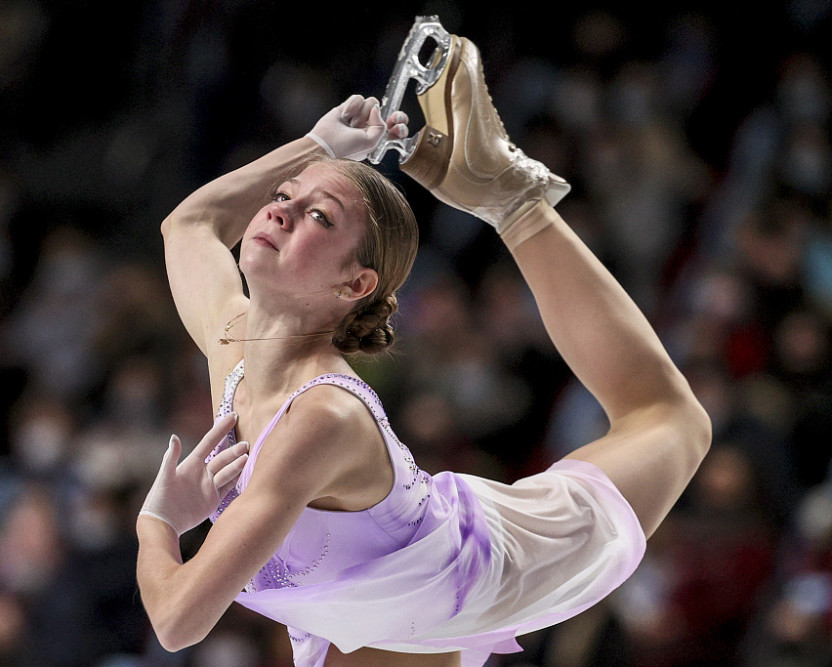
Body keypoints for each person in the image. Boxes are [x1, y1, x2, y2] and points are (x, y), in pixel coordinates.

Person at [135, 32, 712, 667]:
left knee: (669, 418)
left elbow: (177, 619)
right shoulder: (231, 340)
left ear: (355, 285)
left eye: (318, 216)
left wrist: (158, 520)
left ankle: (515, 205)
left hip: (480, 570)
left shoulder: (321, 419)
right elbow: (187, 225)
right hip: (363, 617)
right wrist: (317, 147)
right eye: (281, 200)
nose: (281, 212)